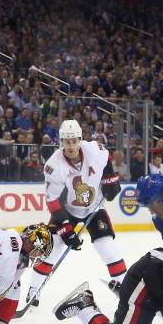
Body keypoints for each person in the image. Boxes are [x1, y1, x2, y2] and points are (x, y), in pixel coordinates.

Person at [25, 120, 125, 307]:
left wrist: (110, 180)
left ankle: (125, 286)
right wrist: (65, 229)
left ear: (80, 139)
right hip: (67, 211)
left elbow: (107, 160)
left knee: (107, 246)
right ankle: (33, 289)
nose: (70, 146)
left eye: (73, 141)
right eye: (66, 141)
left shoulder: (95, 150)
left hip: (94, 208)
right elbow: (53, 201)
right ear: (61, 141)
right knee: (52, 250)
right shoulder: (54, 165)